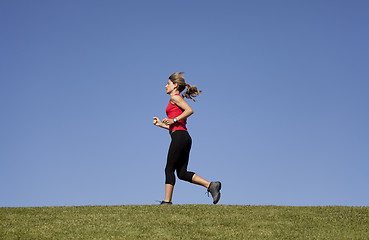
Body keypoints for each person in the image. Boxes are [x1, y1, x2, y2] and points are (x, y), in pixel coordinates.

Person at [153, 72, 221, 205]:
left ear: (175, 85)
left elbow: (190, 110)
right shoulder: (174, 99)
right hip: (183, 136)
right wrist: (162, 124)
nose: (165, 86)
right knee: (182, 173)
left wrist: (173, 119)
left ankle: (167, 202)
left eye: (168, 83)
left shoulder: (175, 98)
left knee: (169, 169)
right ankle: (211, 185)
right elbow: (176, 126)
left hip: (180, 137)